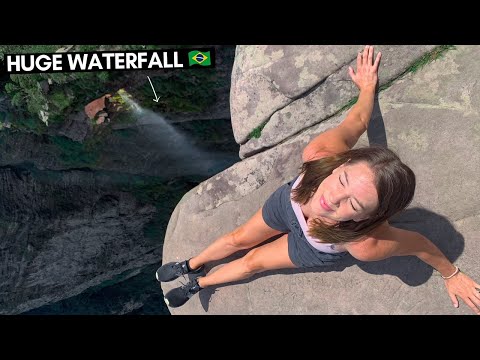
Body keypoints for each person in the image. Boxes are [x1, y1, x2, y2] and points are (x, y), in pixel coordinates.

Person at [156, 45, 480, 314]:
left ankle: (199, 283)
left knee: (254, 260)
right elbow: (357, 120)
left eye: (353, 203)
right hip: (289, 204)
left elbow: (419, 245)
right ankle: (191, 263)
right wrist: (367, 88)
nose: (332, 199)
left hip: (314, 244)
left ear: (369, 217)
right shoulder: (322, 154)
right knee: (238, 238)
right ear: (342, 163)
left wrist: (451, 273)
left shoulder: (365, 244)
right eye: (342, 181)